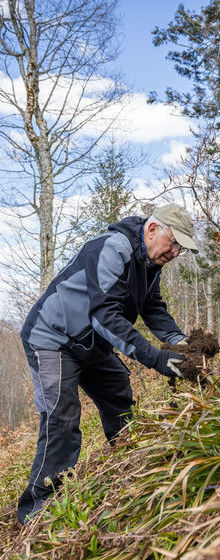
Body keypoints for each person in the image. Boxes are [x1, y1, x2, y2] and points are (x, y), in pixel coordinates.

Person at [17, 203, 197, 524]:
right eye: (174, 243)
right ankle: (37, 513)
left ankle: (130, 461)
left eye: (180, 248)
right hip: (52, 337)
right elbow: (105, 317)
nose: (174, 252)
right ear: (153, 230)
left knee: (118, 391)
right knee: (62, 416)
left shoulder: (149, 263)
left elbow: (153, 308)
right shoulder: (114, 248)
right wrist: (156, 358)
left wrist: (183, 344)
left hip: (89, 341)